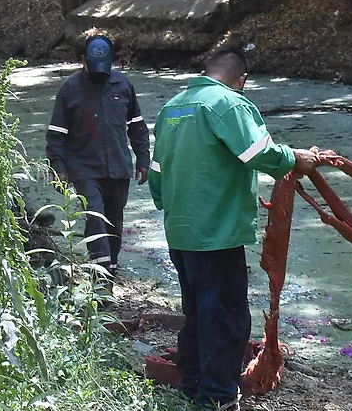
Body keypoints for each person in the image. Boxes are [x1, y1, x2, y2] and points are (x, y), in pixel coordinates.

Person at [147, 47, 319, 410]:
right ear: (241, 80)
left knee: (196, 311)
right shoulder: (229, 104)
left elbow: (158, 172)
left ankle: (192, 384)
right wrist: (295, 159)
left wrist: (174, 206)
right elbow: (258, 152)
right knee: (226, 316)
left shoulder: (172, 107)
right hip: (216, 233)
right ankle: (218, 397)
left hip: (181, 230)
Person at [45, 34, 150, 275]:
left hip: (118, 167)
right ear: (83, 60)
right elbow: (56, 135)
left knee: (115, 221)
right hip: (83, 168)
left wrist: (143, 159)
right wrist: (58, 168)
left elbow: (137, 127)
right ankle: (100, 275)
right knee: (95, 217)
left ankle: (110, 267)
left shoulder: (122, 86)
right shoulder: (70, 89)